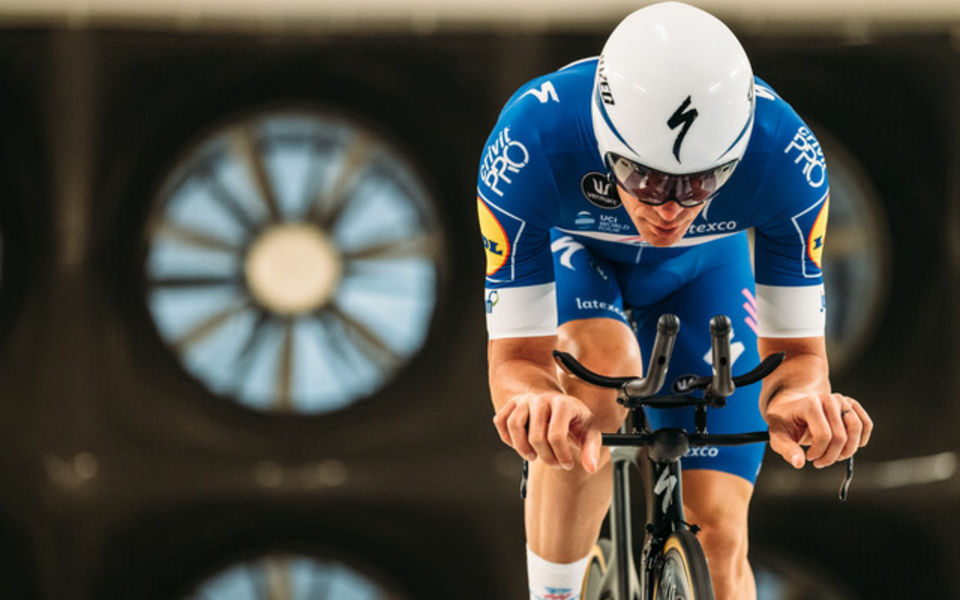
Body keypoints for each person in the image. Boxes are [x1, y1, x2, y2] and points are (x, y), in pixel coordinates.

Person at [476, 2, 874, 599]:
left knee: (719, 540)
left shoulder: (786, 157)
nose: (669, 209)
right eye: (644, 179)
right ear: (605, 145)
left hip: (703, 273)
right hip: (579, 259)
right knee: (598, 370)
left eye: (701, 184)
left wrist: (801, 401)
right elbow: (515, 362)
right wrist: (537, 400)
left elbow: (798, 359)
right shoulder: (530, 141)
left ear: (735, 158)